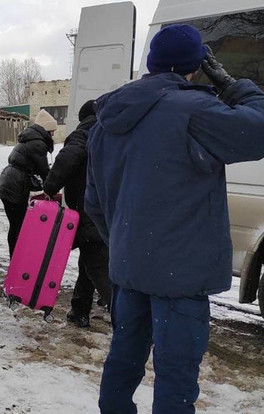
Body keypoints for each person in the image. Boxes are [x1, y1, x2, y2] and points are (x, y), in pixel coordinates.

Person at [86, 25, 264, 413]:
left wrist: (124, 243)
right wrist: (236, 86)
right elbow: (259, 131)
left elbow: (94, 202)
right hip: (179, 275)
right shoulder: (194, 111)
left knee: (123, 361)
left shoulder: (106, 120)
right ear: (197, 66)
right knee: (176, 376)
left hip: (130, 269)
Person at [43, 100, 111, 328]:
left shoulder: (84, 134)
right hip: (109, 212)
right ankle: (79, 310)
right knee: (89, 261)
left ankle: (130, 324)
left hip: (90, 212)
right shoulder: (111, 133)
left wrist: (50, 188)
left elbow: (66, 160)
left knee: (100, 269)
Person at [0, 109, 58, 258]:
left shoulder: (30, 139)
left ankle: (16, 257)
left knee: (16, 225)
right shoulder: (37, 144)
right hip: (15, 185)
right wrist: (53, 189)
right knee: (19, 225)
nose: (53, 135)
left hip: (9, 182)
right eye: (52, 131)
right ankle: (17, 258)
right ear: (46, 130)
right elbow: (44, 170)